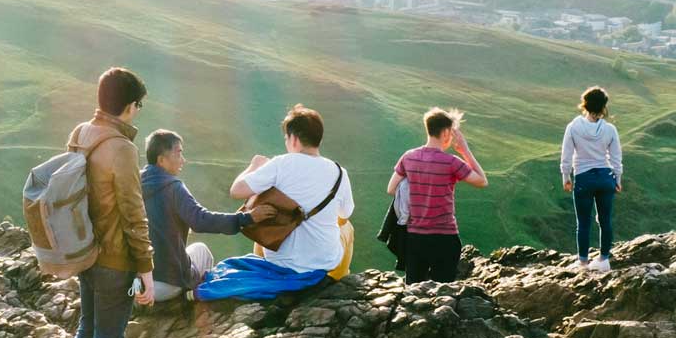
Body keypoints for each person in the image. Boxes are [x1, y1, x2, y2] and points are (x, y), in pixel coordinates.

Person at [60, 67, 155, 338]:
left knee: (87, 331)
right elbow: (134, 215)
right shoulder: (122, 148)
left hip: (84, 251)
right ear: (130, 106)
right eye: (139, 105)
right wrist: (146, 270)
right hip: (115, 260)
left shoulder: (81, 133)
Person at [196, 105, 353, 301]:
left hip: (279, 260)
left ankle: (269, 265)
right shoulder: (339, 172)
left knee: (267, 216)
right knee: (347, 227)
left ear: (294, 138)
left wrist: (254, 166)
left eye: (287, 138)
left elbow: (236, 190)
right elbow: (345, 214)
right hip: (325, 262)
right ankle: (340, 278)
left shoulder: (281, 164)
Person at [140, 129, 275, 302]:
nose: (183, 160)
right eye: (178, 153)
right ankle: (195, 305)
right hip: (165, 284)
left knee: (195, 251)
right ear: (161, 160)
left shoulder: (135, 183)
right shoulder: (173, 187)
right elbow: (201, 220)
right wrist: (246, 218)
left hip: (138, 283)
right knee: (203, 252)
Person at [386, 109, 488, 283]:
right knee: (443, 294)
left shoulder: (408, 157)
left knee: (414, 294)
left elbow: (391, 188)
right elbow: (481, 181)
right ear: (447, 132)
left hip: (415, 238)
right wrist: (465, 150)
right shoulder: (451, 162)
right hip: (445, 238)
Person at [561, 86, 623, 272]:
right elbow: (616, 157)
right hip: (605, 177)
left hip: (583, 177)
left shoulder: (573, 127)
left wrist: (566, 176)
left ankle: (582, 262)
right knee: (605, 220)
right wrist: (618, 178)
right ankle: (604, 260)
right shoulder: (610, 129)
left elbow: (566, 156)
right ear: (604, 106)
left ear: (584, 104)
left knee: (584, 221)